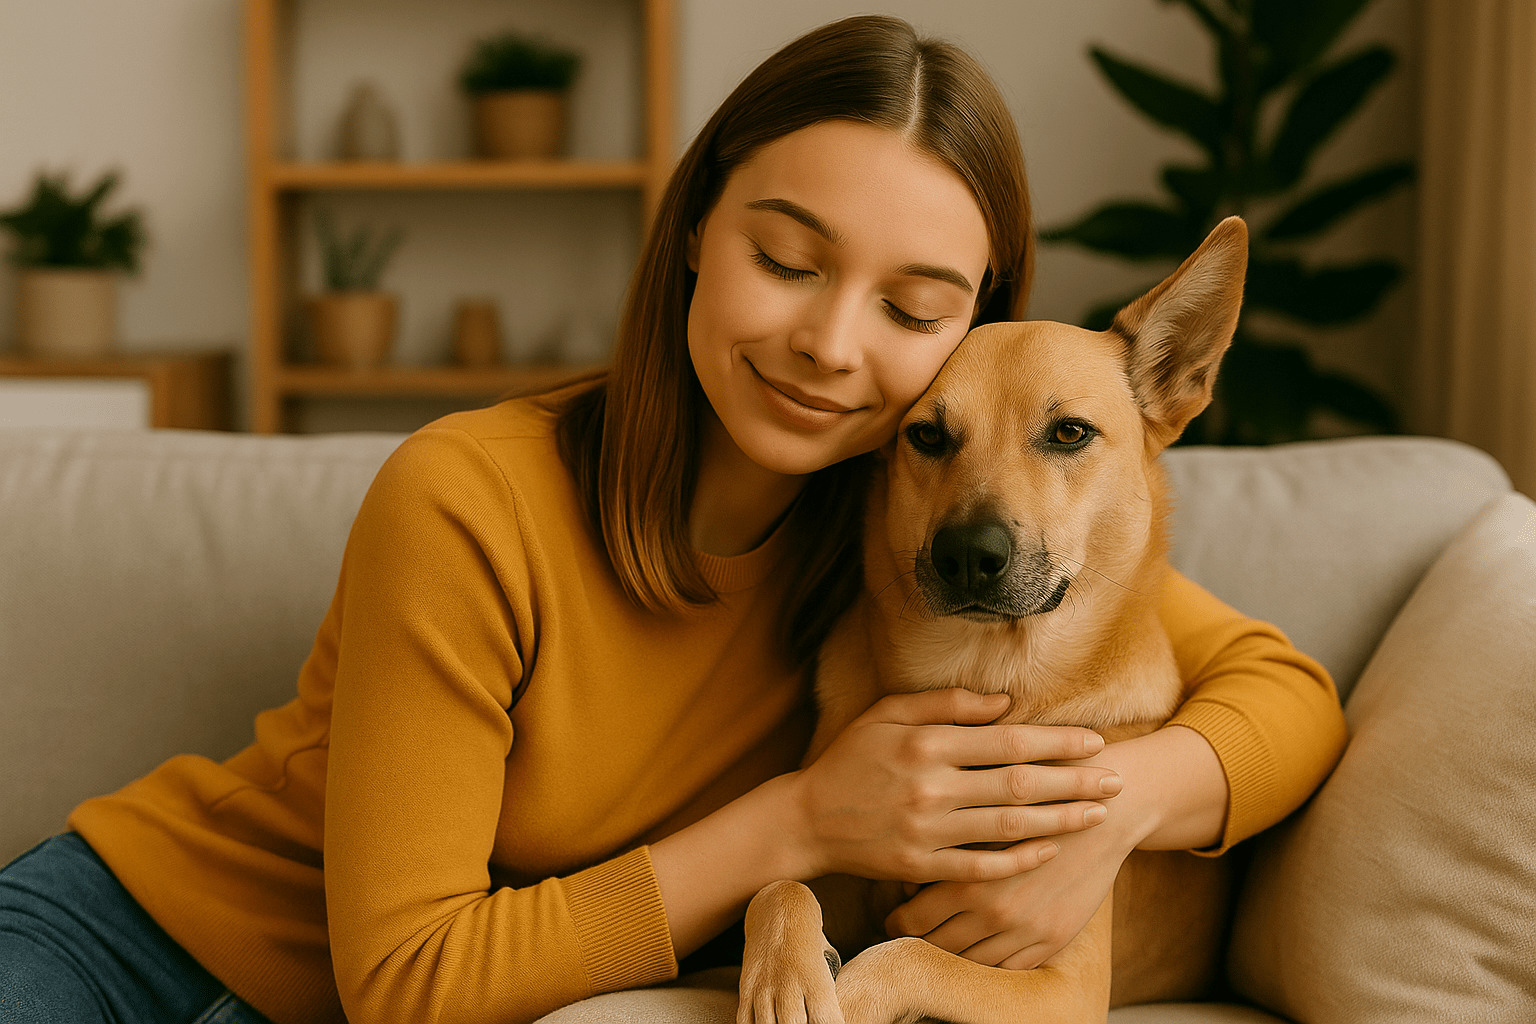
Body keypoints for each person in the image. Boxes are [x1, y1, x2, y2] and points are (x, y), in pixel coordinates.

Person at [0, 15, 1346, 1024]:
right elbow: (406, 979)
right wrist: (806, 821)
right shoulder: (471, 499)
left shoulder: (922, 517)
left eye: (911, 306)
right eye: (786, 257)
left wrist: (1104, 815)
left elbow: (1282, 695)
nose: (828, 342)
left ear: (972, 332)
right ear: (696, 224)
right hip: (133, 954)